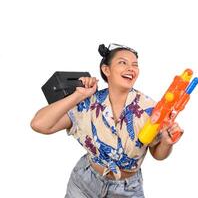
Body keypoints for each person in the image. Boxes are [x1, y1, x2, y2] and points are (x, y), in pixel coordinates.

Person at [30, 43, 184, 198]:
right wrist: (79, 95)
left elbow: (158, 154)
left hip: (127, 190)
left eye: (135, 65)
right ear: (106, 70)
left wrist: (166, 142)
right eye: (122, 62)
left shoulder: (151, 109)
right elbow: (39, 124)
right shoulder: (87, 104)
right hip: (84, 183)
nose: (131, 68)